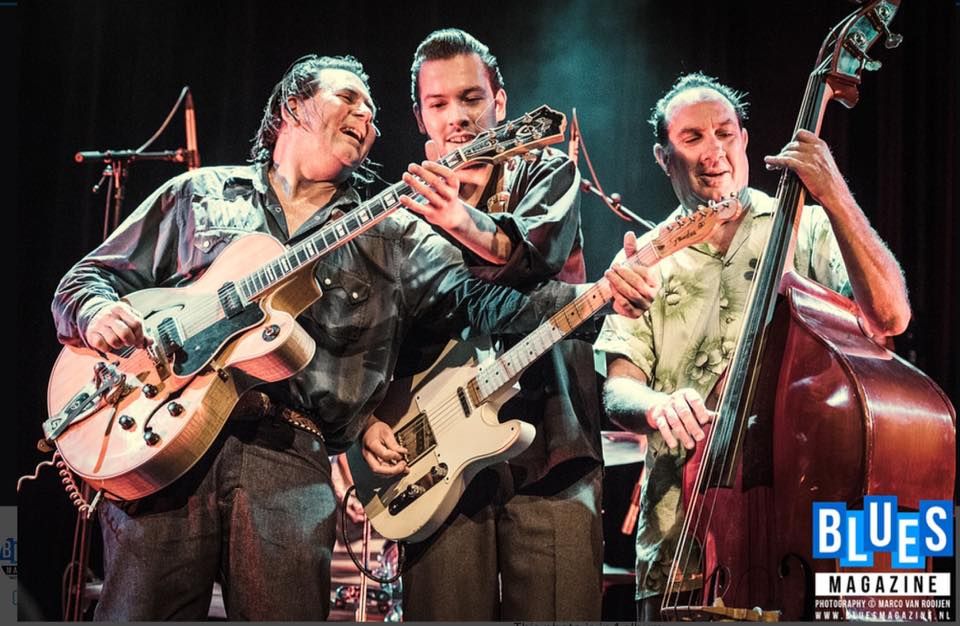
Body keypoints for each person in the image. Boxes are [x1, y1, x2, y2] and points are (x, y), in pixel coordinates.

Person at [50, 53, 643, 621]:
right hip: (162, 449)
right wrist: (97, 314)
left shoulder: (394, 232)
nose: (367, 118)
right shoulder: (199, 194)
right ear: (292, 106)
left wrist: (598, 300)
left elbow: (484, 302)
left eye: (373, 112)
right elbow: (86, 279)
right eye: (349, 99)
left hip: (289, 460)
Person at [358, 29, 659, 621]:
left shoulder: (548, 170)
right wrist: (369, 418)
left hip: (553, 445)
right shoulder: (400, 217)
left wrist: (458, 218)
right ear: (420, 117)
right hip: (437, 456)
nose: (457, 117)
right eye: (439, 103)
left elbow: (536, 256)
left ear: (499, 101)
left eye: (471, 98)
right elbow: (379, 332)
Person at [594, 72, 911, 621]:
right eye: (692, 138)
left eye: (725, 133)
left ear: (744, 139)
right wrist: (657, 405)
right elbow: (618, 388)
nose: (713, 151)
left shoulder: (806, 227)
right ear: (663, 157)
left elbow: (891, 317)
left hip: (796, 524)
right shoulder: (643, 257)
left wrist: (834, 193)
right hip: (679, 544)